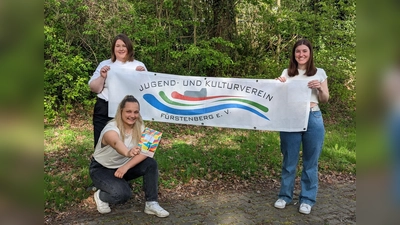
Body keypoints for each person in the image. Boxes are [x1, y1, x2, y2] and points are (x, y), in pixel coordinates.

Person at [89, 95, 169, 217]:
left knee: (150, 163)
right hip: (102, 168)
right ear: (121, 111)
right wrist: (127, 152)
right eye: (128, 111)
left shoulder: (140, 127)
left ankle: (151, 203)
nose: (132, 115)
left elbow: (146, 152)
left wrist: (126, 167)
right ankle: (101, 196)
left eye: (136, 112)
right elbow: (116, 143)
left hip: (122, 167)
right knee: (122, 195)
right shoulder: (111, 128)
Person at [274, 39, 329, 215]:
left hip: (313, 117)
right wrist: (277, 85)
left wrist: (319, 88)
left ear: (310, 53)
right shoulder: (287, 73)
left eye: (305, 51)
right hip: (290, 118)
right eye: (298, 51)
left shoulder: (319, 72)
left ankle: (307, 199)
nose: (301, 54)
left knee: (310, 162)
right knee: (289, 160)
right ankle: (285, 196)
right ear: (294, 54)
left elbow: (325, 99)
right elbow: (279, 98)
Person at [89, 33, 147, 148]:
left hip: (129, 110)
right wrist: (102, 76)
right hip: (104, 108)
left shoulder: (139, 66)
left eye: (124, 46)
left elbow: (146, 90)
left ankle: (125, 165)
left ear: (129, 48)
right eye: (118, 46)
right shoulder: (104, 64)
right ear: (113, 48)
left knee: (127, 143)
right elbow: (94, 88)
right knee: (101, 142)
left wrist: (142, 76)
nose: (121, 49)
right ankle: (100, 165)